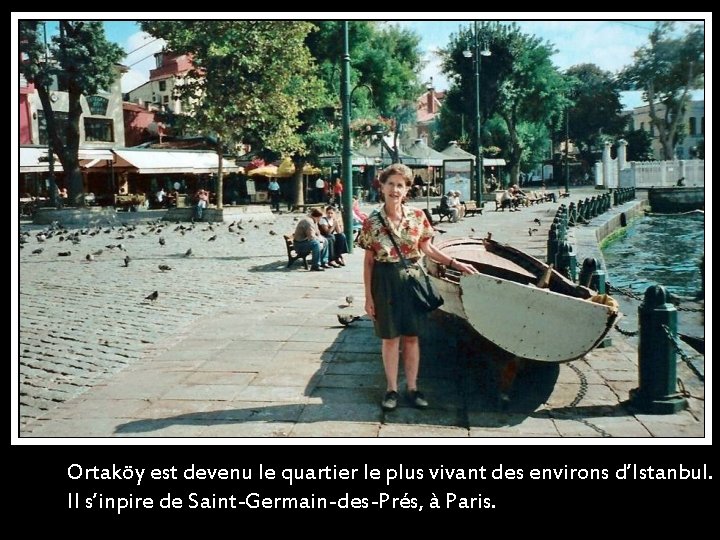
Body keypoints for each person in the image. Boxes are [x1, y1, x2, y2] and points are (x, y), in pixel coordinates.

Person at [357, 164, 478, 412]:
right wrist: (368, 297)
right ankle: (391, 389)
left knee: (412, 338)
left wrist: (456, 263)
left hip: (413, 280)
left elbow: (428, 249)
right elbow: (369, 261)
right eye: (390, 183)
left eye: (400, 185)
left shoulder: (418, 217)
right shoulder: (372, 222)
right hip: (384, 281)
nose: (395, 189)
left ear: (407, 190)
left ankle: (412, 388)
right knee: (390, 339)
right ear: (382, 186)